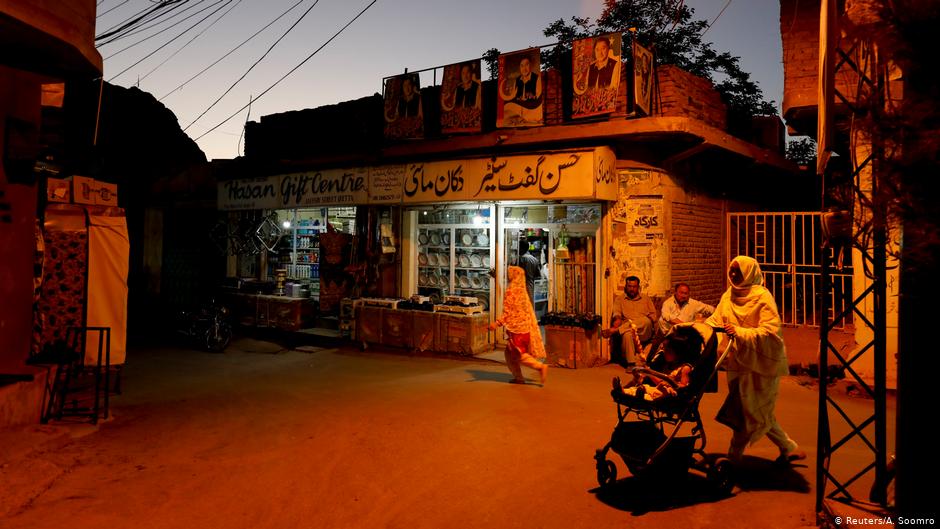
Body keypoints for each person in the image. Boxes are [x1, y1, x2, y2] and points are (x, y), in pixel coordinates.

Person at [706, 256, 806, 464]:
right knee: (757, 410)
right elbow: (715, 320)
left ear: (749, 273)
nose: (733, 275)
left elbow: (770, 331)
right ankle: (789, 447)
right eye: (731, 270)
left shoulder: (762, 297)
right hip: (737, 362)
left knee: (748, 411)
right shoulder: (728, 295)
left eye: (738, 272)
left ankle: (733, 458)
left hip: (759, 364)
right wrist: (699, 329)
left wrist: (740, 332)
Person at [489, 266, 548, 385]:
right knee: (510, 354)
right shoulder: (522, 291)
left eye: (510, 273)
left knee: (519, 355)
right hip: (524, 329)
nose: (508, 275)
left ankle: (540, 367)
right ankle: (518, 377)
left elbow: (507, 313)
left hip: (516, 331)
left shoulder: (511, 291)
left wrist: (496, 323)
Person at [612, 324, 701, 401]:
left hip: (669, 395)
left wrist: (669, 384)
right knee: (647, 388)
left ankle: (640, 396)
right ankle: (624, 391)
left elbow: (683, 386)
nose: (664, 352)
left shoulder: (685, 368)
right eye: (664, 349)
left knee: (655, 392)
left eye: (668, 350)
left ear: (678, 353)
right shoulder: (666, 363)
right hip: (657, 389)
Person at [602, 276, 657, 367]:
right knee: (627, 335)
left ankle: (616, 330)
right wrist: (617, 319)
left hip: (643, 331)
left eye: (634, 287)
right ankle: (631, 364)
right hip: (629, 330)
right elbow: (617, 313)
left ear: (638, 287)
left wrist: (648, 318)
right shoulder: (619, 299)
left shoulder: (646, 298)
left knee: (646, 321)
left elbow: (654, 317)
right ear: (626, 287)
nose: (632, 289)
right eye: (629, 286)